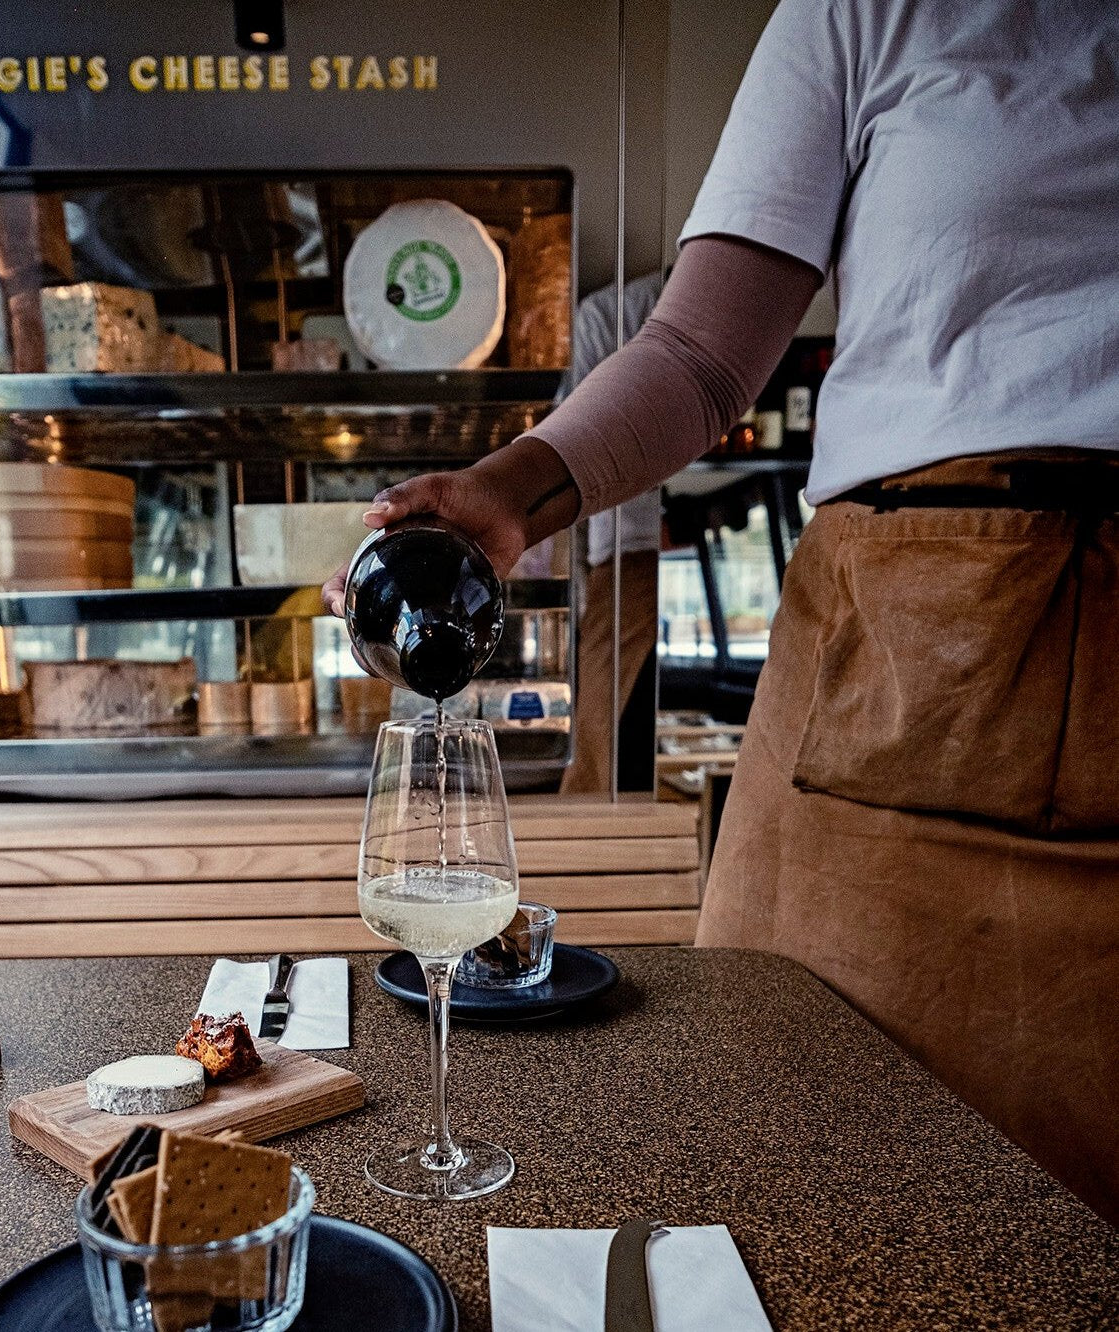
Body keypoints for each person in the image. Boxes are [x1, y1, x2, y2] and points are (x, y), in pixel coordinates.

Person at [326, 0, 1119, 1222]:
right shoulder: (866, 10)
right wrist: (511, 494)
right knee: (797, 1123)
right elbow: (701, 353)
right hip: (917, 643)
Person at [555, 271, 664, 795]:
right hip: (622, 544)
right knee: (604, 708)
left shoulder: (607, 316)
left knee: (606, 705)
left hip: (626, 546)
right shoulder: (608, 315)